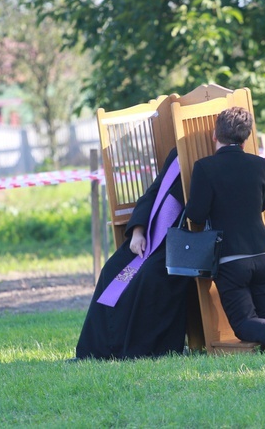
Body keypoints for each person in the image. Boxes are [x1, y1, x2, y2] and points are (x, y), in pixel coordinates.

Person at [184, 107, 265, 355]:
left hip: (231, 258)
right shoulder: (260, 164)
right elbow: (263, 203)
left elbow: (196, 215)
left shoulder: (204, 167)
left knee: (243, 323)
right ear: (246, 137)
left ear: (215, 135)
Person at [75, 147, 192, 359]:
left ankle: (138, 350)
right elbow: (153, 193)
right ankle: (98, 350)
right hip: (151, 235)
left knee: (148, 276)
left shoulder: (201, 154)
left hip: (178, 241)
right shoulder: (177, 154)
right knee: (112, 269)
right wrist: (138, 231)